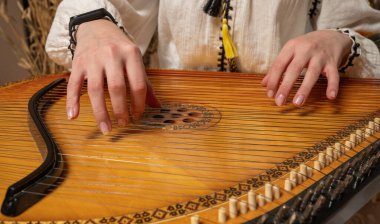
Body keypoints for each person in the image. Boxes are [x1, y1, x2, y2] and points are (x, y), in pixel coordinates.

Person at [46, 0, 380, 134]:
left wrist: (336, 40)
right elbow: (104, 5)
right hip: (175, 128)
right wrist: (92, 24)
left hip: (284, 128)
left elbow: (359, 36)